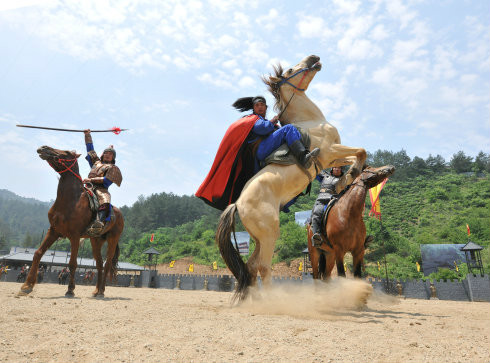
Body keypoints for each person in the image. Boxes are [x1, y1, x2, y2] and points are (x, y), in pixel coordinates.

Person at [196, 96, 320, 210]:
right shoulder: (253, 119)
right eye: (257, 105)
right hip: (260, 150)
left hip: (265, 148)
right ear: (254, 108)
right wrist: (273, 121)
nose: (260, 107)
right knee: (289, 129)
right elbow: (263, 128)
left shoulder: (262, 120)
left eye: (262, 105)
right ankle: (303, 157)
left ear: (266, 107)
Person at [83, 129, 123, 231]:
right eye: (106, 153)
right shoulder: (96, 163)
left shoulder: (113, 168)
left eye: (110, 154)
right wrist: (87, 135)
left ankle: (99, 222)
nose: (108, 155)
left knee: (105, 199)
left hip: (101, 189)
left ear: (113, 157)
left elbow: (107, 180)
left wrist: (91, 180)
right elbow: (90, 150)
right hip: (87, 186)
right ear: (102, 154)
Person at [310, 166, 343, 247]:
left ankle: (360, 239)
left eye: (339, 168)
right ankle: (316, 236)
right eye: (335, 167)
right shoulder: (324, 176)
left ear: (341, 170)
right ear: (332, 168)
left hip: (337, 199)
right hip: (322, 199)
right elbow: (314, 170)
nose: (337, 169)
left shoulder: (345, 179)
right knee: (317, 212)